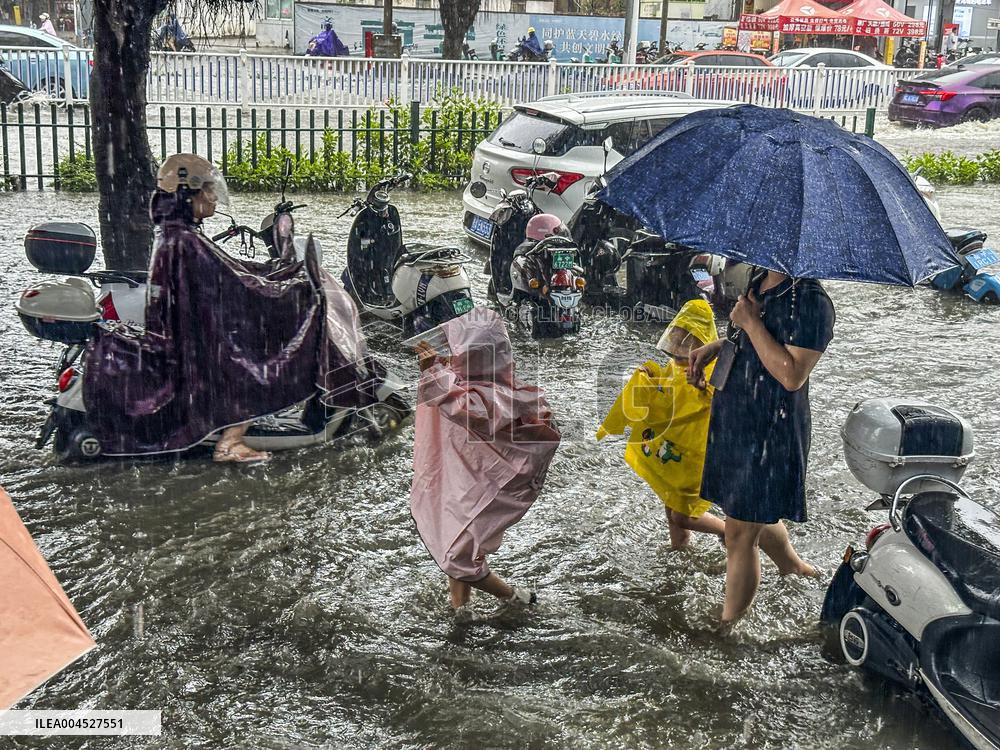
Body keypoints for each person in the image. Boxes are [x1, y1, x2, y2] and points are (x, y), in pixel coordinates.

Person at [688, 269, 833, 631]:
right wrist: (720, 346)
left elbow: (791, 374)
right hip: (737, 419)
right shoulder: (760, 280)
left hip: (771, 429)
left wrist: (751, 323)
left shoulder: (811, 301)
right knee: (748, 512)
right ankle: (796, 569)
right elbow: (758, 342)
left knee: (738, 533)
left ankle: (727, 630)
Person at [409, 308, 561, 615]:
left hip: (491, 488)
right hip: (475, 483)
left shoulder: (494, 396)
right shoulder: (481, 385)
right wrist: (438, 370)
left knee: (458, 555)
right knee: (459, 540)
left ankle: (518, 599)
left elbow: (466, 409)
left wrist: (434, 374)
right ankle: (459, 609)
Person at [597, 300, 726, 549]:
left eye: (687, 343)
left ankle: (729, 530)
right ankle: (680, 550)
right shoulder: (675, 366)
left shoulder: (710, 372)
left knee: (682, 515)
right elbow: (667, 394)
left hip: (694, 457)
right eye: (676, 342)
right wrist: (650, 377)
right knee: (671, 509)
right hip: (675, 454)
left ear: (703, 344)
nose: (679, 349)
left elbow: (718, 406)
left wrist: (701, 388)